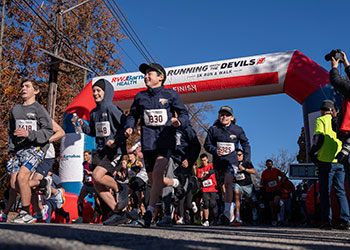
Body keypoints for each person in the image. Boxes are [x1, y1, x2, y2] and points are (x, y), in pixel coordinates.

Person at [124, 63, 189, 228]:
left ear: (160, 77)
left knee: (160, 169)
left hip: (165, 140)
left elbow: (183, 113)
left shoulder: (170, 95)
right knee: (154, 181)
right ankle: (175, 183)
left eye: (149, 73)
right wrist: (129, 126)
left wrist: (178, 121)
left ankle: (149, 211)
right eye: (145, 74)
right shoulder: (140, 97)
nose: (146, 76)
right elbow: (132, 115)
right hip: (148, 143)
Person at [73, 78, 127, 226]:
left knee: (97, 176)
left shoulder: (112, 109)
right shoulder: (94, 112)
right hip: (100, 151)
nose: (95, 94)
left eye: (98, 91)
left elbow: (126, 126)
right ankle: (119, 213)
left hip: (113, 151)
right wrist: (81, 125)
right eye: (94, 91)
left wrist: (116, 142)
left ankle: (121, 187)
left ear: (107, 92)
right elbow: (92, 131)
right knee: (97, 185)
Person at [7, 79, 53, 223]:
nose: (23, 88)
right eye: (22, 86)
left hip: (36, 147)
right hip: (19, 149)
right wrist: (11, 149)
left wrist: (30, 134)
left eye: (27, 86)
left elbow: (48, 131)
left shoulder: (39, 109)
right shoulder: (15, 110)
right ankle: (43, 184)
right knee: (14, 184)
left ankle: (26, 212)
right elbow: (10, 132)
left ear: (36, 91)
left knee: (23, 177)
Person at [204, 106, 251, 224]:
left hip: (231, 162)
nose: (224, 117)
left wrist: (246, 160)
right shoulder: (213, 129)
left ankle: (226, 212)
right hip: (219, 163)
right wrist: (215, 150)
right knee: (224, 188)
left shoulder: (237, 130)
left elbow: (246, 144)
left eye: (227, 115)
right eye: (222, 114)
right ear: (219, 116)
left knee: (228, 182)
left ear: (232, 117)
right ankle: (229, 208)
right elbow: (207, 145)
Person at [309, 99, 350, 230]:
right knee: (340, 191)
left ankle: (326, 221)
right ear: (332, 110)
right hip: (339, 160)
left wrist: (312, 152)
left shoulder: (320, 120)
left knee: (324, 192)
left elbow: (319, 138)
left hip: (325, 161)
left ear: (322, 110)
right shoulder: (339, 120)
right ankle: (346, 220)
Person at [72, 150, 102, 223]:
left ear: (90, 155)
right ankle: (80, 217)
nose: (85, 157)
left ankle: (104, 215)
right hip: (86, 184)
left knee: (98, 201)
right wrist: (83, 179)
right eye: (84, 156)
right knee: (80, 199)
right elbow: (85, 173)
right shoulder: (84, 164)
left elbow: (97, 173)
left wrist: (90, 173)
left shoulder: (94, 163)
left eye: (86, 155)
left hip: (93, 185)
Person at [233, 149, 257, 225]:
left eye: (240, 155)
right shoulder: (233, 163)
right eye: (237, 155)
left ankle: (254, 210)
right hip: (238, 184)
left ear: (243, 155)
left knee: (249, 199)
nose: (238, 156)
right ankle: (237, 216)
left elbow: (253, 171)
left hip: (247, 185)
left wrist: (244, 169)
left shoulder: (247, 162)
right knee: (236, 196)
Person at [260, 159, 285, 226]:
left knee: (276, 202)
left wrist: (281, 182)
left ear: (272, 164)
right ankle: (274, 219)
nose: (269, 165)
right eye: (267, 164)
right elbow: (261, 182)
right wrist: (264, 183)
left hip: (277, 189)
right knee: (272, 206)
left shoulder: (276, 170)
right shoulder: (264, 172)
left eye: (270, 164)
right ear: (266, 165)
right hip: (269, 191)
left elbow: (283, 176)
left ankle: (279, 217)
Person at [196, 153, 218, 227]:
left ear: (207, 160)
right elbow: (199, 179)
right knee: (206, 204)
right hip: (205, 189)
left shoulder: (211, 166)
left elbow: (215, 170)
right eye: (202, 161)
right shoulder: (199, 169)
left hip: (213, 188)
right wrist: (201, 177)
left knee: (212, 204)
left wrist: (207, 172)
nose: (203, 162)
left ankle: (214, 219)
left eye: (205, 160)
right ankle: (206, 220)